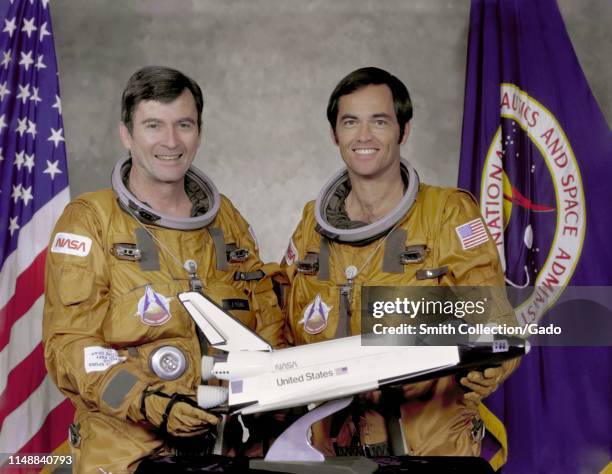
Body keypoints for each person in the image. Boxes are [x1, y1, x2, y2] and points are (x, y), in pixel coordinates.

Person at [43, 66, 284, 473]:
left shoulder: (225, 221)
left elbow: (267, 322)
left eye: (183, 125)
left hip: (227, 453)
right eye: (153, 125)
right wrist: (146, 401)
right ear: (127, 134)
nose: (170, 141)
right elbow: (70, 346)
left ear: (199, 132)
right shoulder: (90, 221)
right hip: (127, 456)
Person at [281, 67, 520, 464]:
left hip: (432, 449)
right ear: (334, 134)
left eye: (379, 121)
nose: (364, 136)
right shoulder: (312, 225)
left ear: (403, 131)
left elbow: (495, 317)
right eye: (350, 122)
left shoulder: (447, 215)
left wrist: (494, 362)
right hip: (332, 452)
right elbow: (283, 320)